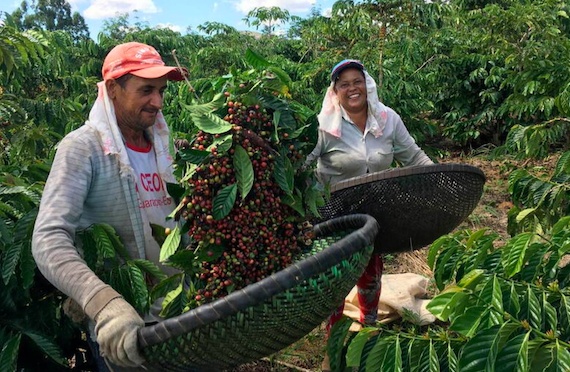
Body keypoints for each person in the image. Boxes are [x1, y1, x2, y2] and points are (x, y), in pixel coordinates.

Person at [32, 42, 187, 371]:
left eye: (161, 91)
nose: (157, 102)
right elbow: (48, 237)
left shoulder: (166, 145)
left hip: (183, 315)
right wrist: (101, 302)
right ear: (113, 89)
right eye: (146, 90)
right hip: (128, 331)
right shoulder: (83, 149)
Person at [305, 59, 433, 371]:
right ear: (335, 92)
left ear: (367, 85)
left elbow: (414, 157)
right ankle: (332, 351)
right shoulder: (323, 126)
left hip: (375, 214)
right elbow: (303, 167)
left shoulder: (387, 120)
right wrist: (306, 209)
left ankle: (368, 340)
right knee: (334, 283)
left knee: (370, 275)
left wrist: (437, 185)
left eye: (357, 81)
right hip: (333, 215)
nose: (352, 88)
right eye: (344, 83)